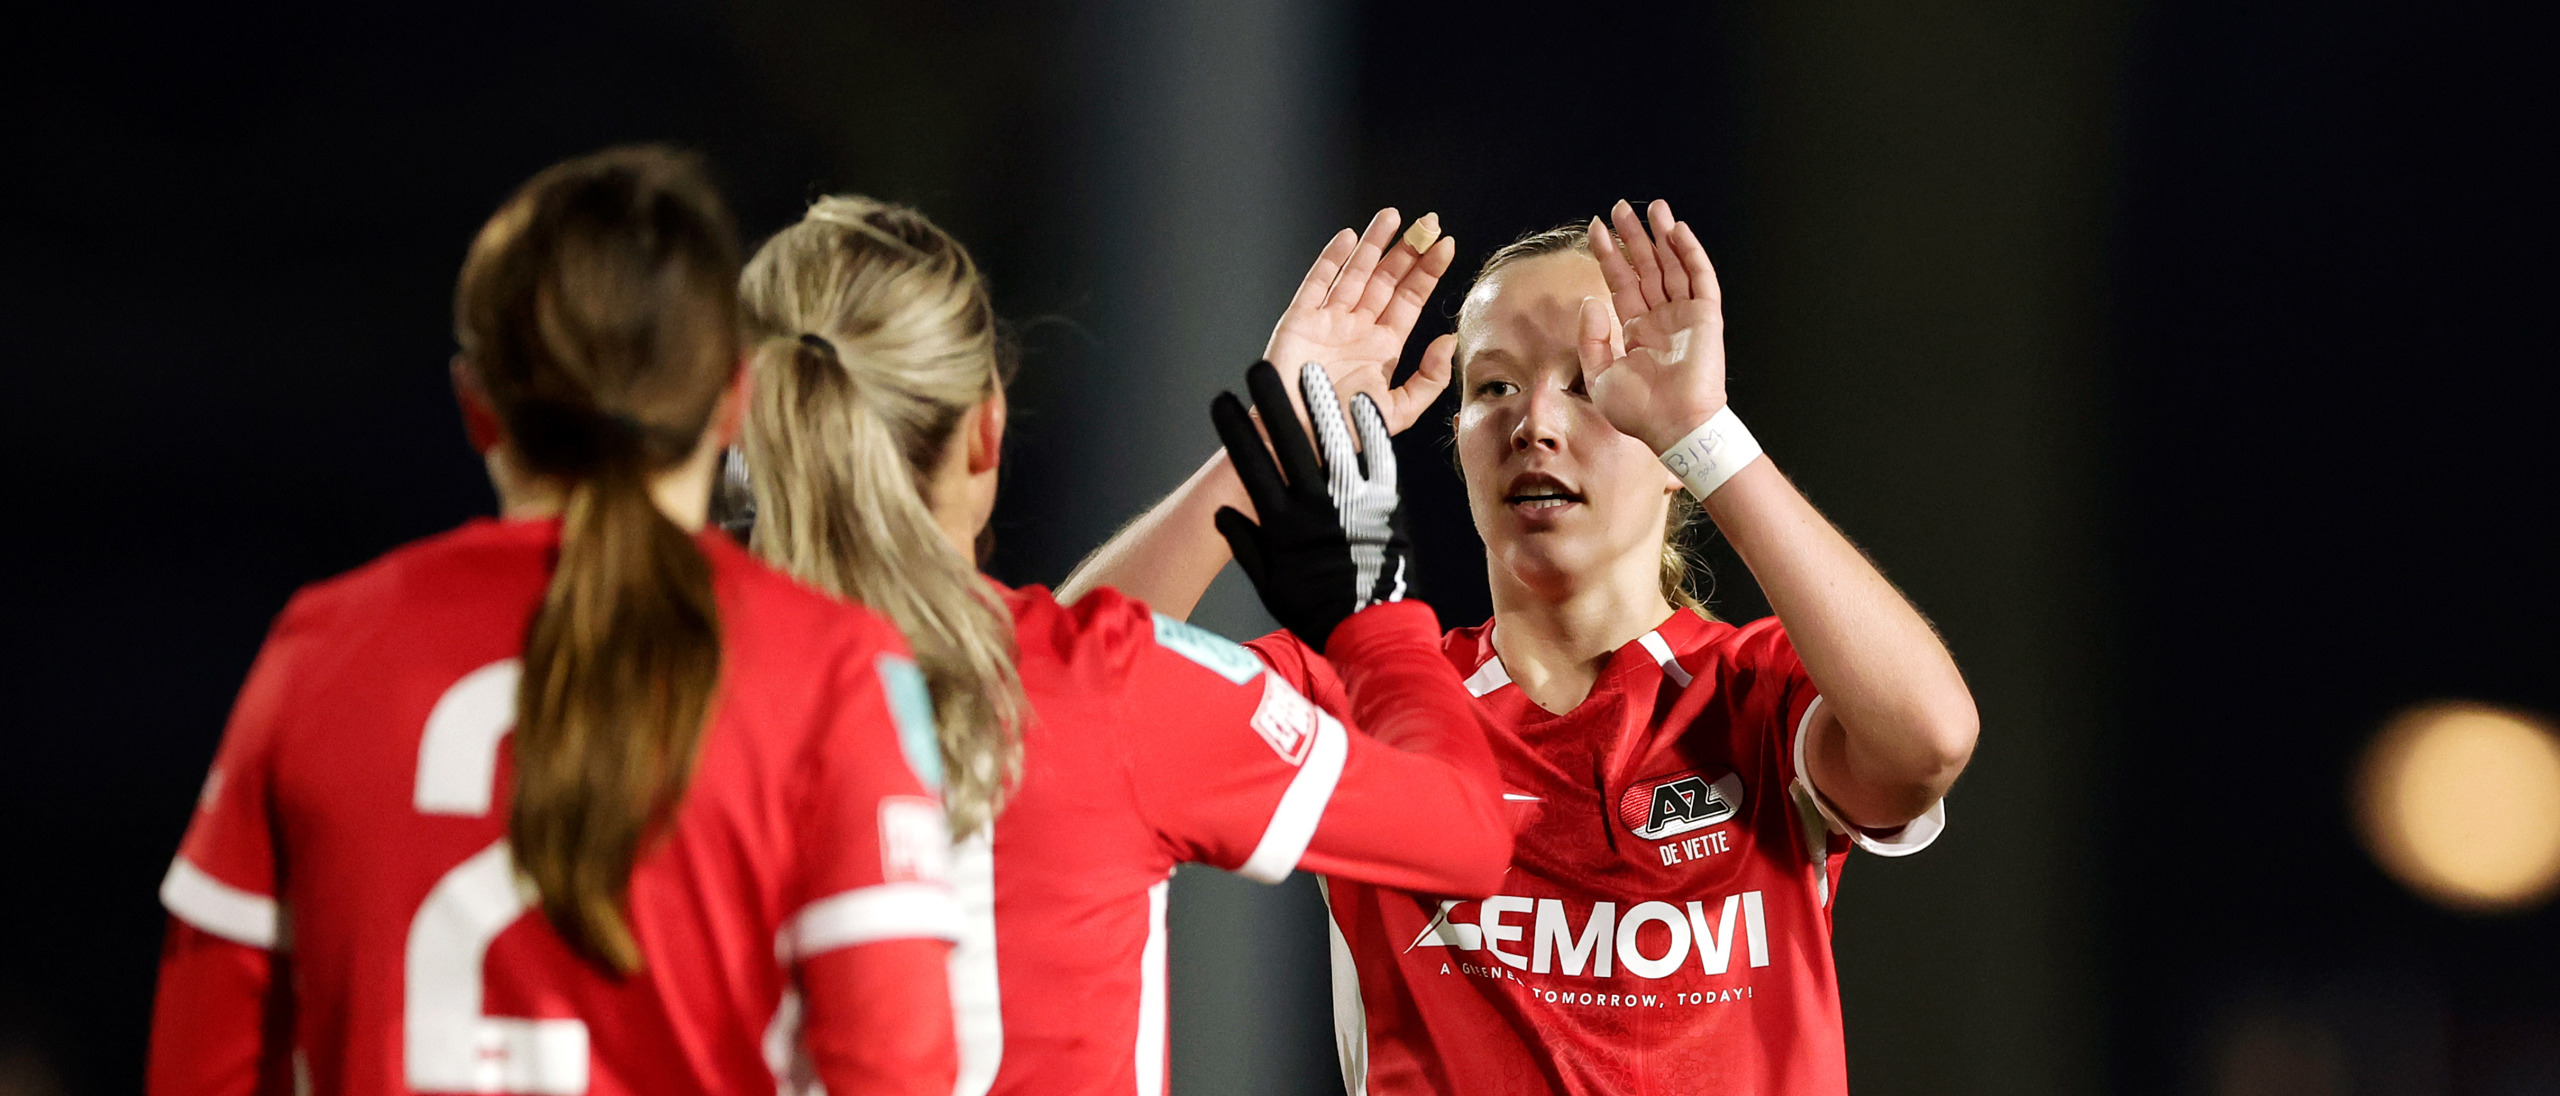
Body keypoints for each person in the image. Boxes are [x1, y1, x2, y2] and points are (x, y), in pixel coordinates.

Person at [1061, 200, 1982, 1094]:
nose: (1533, 424)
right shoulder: (1371, 696)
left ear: (1669, 445)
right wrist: (1272, 444)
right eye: (1493, 386)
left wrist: (1708, 439)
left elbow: (1929, 741)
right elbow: (1048, 703)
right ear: (1456, 441)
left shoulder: (1757, 693)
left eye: (1590, 384)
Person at [147, 147, 960, 1096]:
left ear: (477, 406)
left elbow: (201, 1071)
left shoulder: (321, 650)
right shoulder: (834, 671)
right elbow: (899, 1074)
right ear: (735, 399)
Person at [728, 196, 1514, 1096]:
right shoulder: (1097, 688)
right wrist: (1377, 616)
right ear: (985, 432)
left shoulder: (650, 682)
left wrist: (1262, 451)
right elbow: (1463, 833)